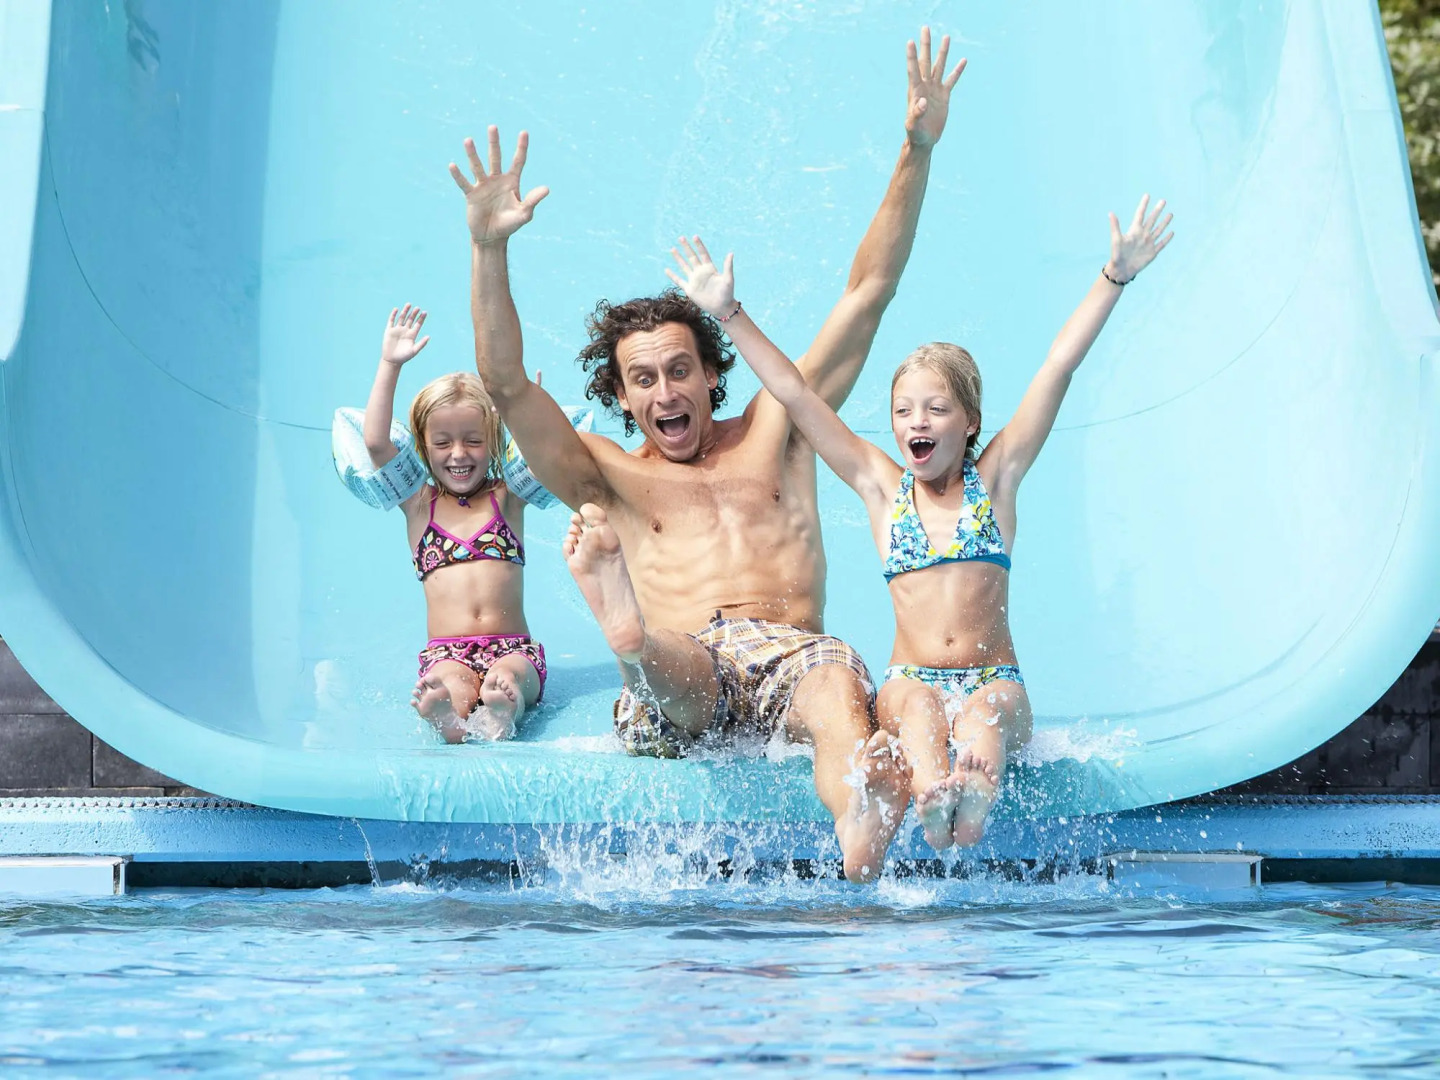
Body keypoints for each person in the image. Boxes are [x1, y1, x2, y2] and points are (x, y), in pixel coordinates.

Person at [450, 29, 965, 882]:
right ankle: (628, 637)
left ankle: (860, 841)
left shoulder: (781, 427)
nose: (665, 394)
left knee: (840, 693)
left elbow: (868, 292)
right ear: (620, 397)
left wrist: (916, 147)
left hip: (793, 656)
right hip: (686, 660)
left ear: (712, 373)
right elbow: (503, 383)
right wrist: (488, 247)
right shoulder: (605, 475)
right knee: (670, 666)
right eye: (643, 380)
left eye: (680, 370)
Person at [664, 194, 1173, 852]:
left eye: (936, 409)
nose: (917, 423)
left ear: (970, 422)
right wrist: (728, 312)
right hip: (912, 680)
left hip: (996, 678)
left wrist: (1114, 277)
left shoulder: (996, 481)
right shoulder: (883, 488)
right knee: (921, 712)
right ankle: (935, 796)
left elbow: (1058, 367)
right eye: (904, 411)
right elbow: (795, 393)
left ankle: (971, 803)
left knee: (986, 718)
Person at [361, 304, 545, 744]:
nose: (458, 454)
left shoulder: (508, 498)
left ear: (493, 441)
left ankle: (503, 711)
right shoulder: (419, 505)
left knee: (511, 678)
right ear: (424, 447)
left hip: (512, 645)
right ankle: (449, 718)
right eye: (442, 443)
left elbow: (543, 453)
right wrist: (390, 364)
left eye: (474, 441)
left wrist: (528, 411)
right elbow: (375, 442)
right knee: (449, 684)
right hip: (448, 652)